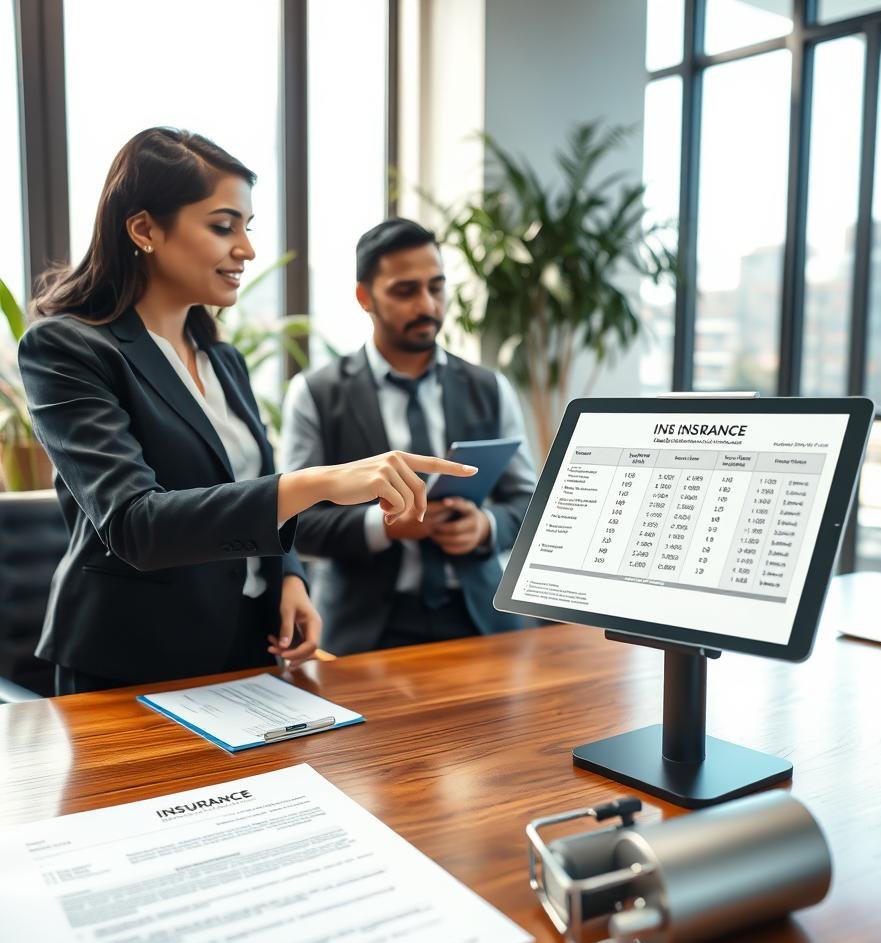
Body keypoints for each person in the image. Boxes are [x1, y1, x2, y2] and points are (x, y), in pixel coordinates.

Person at [19, 130, 475, 694]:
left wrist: (288, 574)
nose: (247, 250)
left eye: (247, 228)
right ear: (144, 229)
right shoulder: (67, 349)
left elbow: (250, 484)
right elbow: (136, 524)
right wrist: (321, 482)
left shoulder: (221, 358)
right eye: (222, 226)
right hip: (132, 660)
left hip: (247, 646)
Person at [281, 217, 537, 654]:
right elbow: (294, 523)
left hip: (480, 617)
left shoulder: (490, 388)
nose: (428, 305)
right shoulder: (315, 393)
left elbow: (531, 501)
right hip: (362, 629)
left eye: (436, 288)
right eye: (405, 291)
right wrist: (381, 528)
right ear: (365, 297)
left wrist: (486, 527)